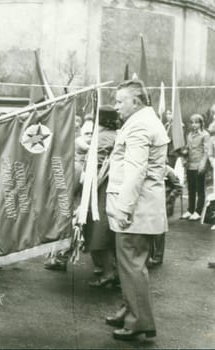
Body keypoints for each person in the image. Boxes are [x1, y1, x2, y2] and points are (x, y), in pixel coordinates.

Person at [105, 79, 168, 341]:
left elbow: (135, 171)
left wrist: (123, 208)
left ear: (136, 101)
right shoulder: (144, 120)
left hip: (135, 209)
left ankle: (138, 322)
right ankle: (130, 308)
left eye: (120, 101)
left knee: (131, 264)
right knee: (128, 264)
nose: (116, 106)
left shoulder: (139, 125)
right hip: (141, 207)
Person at [85, 106, 118, 288]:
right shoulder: (116, 135)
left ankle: (108, 272)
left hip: (100, 187)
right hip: (111, 187)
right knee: (108, 231)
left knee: (100, 230)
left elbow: (95, 164)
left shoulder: (103, 137)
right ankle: (113, 270)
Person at [147, 165, 183, 267]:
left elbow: (178, 187)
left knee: (159, 231)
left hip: (163, 203)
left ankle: (158, 257)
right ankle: (150, 255)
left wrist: (170, 199)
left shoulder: (167, 170)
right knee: (149, 229)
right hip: (151, 201)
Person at [181, 114, 209, 221]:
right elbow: (188, 148)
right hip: (190, 165)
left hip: (199, 165)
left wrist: (203, 164)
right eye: (192, 122)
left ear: (201, 123)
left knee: (200, 189)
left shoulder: (205, 135)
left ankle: (198, 211)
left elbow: (206, 151)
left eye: (196, 122)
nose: (194, 125)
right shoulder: (189, 135)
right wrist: (184, 153)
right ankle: (190, 210)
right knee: (191, 188)